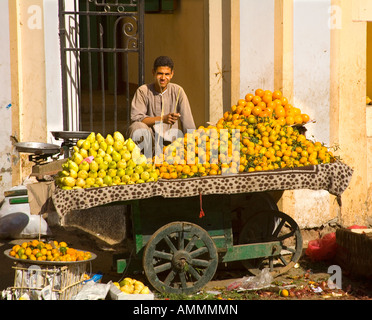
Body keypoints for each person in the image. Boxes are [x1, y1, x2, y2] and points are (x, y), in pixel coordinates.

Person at [127, 56, 195, 156]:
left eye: (167, 74)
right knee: (137, 126)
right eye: (160, 74)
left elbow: (188, 124)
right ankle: (150, 160)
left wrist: (193, 148)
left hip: (171, 145)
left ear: (172, 74)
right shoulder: (143, 91)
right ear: (153, 73)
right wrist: (162, 119)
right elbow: (137, 119)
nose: (163, 78)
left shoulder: (178, 91)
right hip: (150, 143)